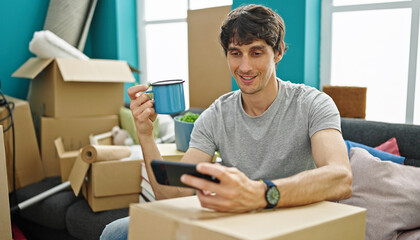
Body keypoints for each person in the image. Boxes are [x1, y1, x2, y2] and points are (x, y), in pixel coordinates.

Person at [100, 4, 352, 239]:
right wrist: (145, 134)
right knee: (116, 232)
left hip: (296, 224)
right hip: (236, 225)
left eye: (256, 52)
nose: (244, 66)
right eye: (235, 53)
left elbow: (341, 178)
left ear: (277, 53)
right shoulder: (215, 116)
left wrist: (261, 194)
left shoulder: (313, 104)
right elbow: (170, 198)